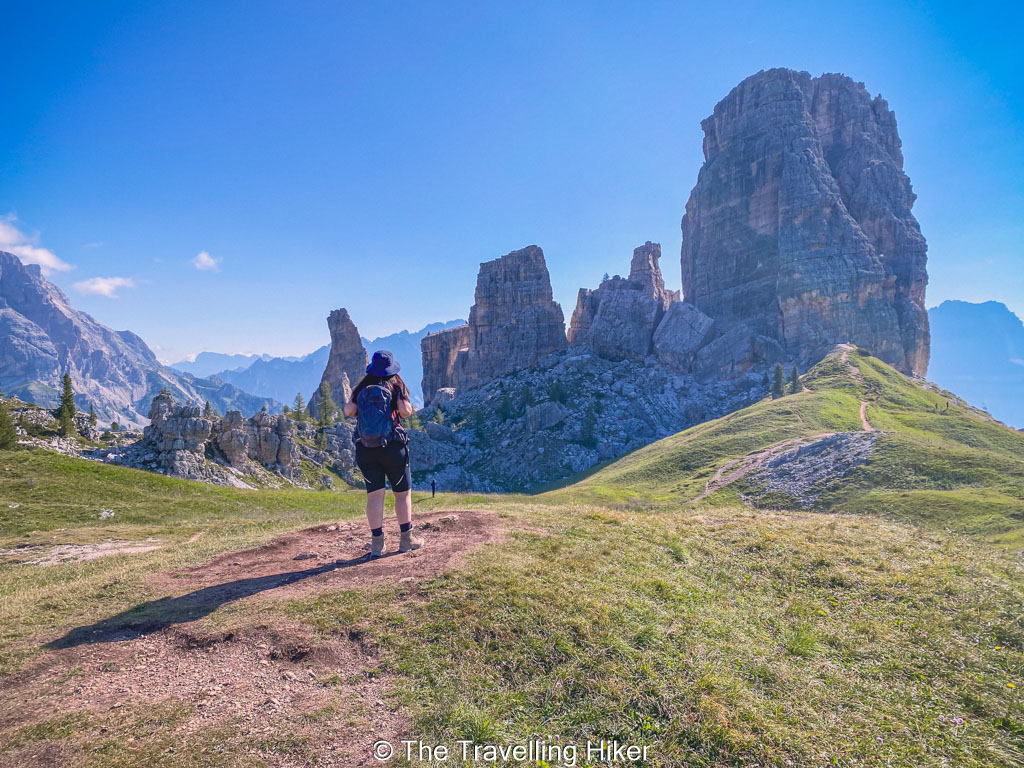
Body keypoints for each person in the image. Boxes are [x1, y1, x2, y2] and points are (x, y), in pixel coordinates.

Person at [344, 350, 423, 557]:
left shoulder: (362, 386)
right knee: (402, 494)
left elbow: (348, 411)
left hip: (366, 449)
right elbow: (405, 412)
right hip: (392, 448)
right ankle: (407, 540)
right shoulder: (396, 384)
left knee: (374, 496)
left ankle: (377, 545)